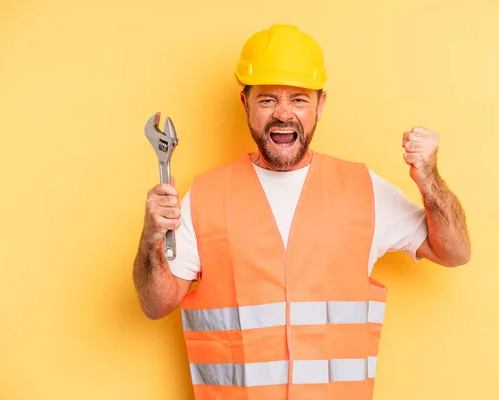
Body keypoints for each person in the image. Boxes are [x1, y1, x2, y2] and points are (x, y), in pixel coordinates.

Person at [133, 24, 471, 400]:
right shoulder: (207, 195)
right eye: (267, 100)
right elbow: (155, 303)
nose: (283, 114)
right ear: (245, 104)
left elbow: (454, 252)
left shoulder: (364, 189)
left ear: (320, 105)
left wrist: (430, 180)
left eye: (298, 99)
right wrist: (151, 238)